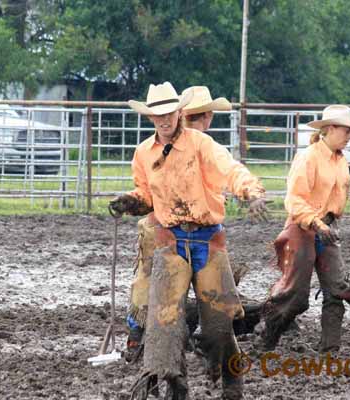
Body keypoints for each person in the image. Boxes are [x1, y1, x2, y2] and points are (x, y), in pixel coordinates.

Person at [110, 82, 267, 400]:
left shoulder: (201, 145)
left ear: (179, 112)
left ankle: (232, 383)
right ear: (151, 118)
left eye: (169, 113)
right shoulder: (143, 153)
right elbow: (147, 195)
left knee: (219, 327)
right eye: (157, 115)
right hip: (169, 243)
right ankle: (174, 385)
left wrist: (250, 190)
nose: (164, 120)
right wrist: (131, 200)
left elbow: (230, 170)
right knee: (164, 324)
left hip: (207, 242)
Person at [260, 105, 350, 352]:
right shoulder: (308, 158)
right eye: (347, 131)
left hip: (327, 229)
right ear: (330, 129)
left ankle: (330, 350)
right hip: (302, 228)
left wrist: (329, 224)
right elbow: (295, 200)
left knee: (337, 291)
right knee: (295, 297)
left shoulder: (341, 161)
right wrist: (317, 224)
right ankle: (267, 337)